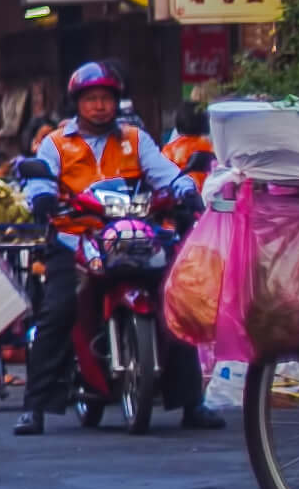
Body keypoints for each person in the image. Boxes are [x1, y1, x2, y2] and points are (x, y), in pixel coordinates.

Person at [15, 59, 214, 434]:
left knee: (177, 302)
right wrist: (41, 197)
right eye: (91, 99)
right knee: (56, 312)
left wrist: (186, 189)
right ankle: (35, 408)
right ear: (77, 102)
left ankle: (192, 403)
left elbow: (165, 173)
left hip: (136, 235)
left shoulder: (136, 140)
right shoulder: (56, 144)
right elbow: (39, 181)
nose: (99, 106)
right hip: (76, 238)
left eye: (106, 98)